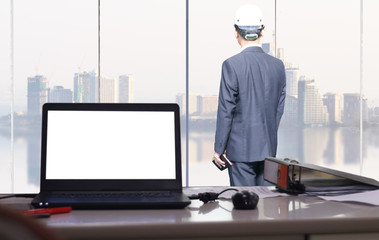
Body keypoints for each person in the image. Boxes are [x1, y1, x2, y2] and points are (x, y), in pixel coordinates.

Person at [213, 4, 286, 186]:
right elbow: (278, 109)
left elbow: (226, 110)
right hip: (268, 150)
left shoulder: (231, 65)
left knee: (244, 210)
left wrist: (219, 148)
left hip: (240, 153)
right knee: (268, 208)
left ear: (236, 32)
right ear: (262, 32)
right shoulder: (278, 66)